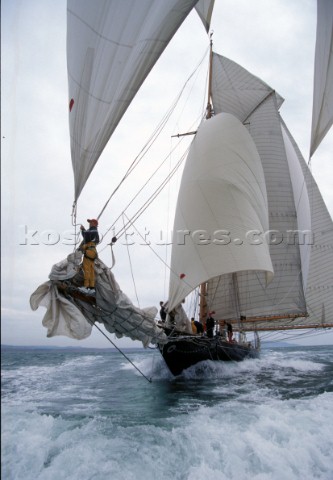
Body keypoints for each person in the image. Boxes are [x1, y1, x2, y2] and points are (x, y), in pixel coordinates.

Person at [78, 218, 100, 294]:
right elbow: (87, 236)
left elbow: (87, 237)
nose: (89, 224)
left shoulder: (93, 230)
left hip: (89, 251)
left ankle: (86, 287)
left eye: (91, 222)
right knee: (91, 271)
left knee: (86, 269)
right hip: (93, 252)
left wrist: (83, 230)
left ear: (94, 224)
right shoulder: (94, 231)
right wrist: (84, 230)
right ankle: (92, 288)